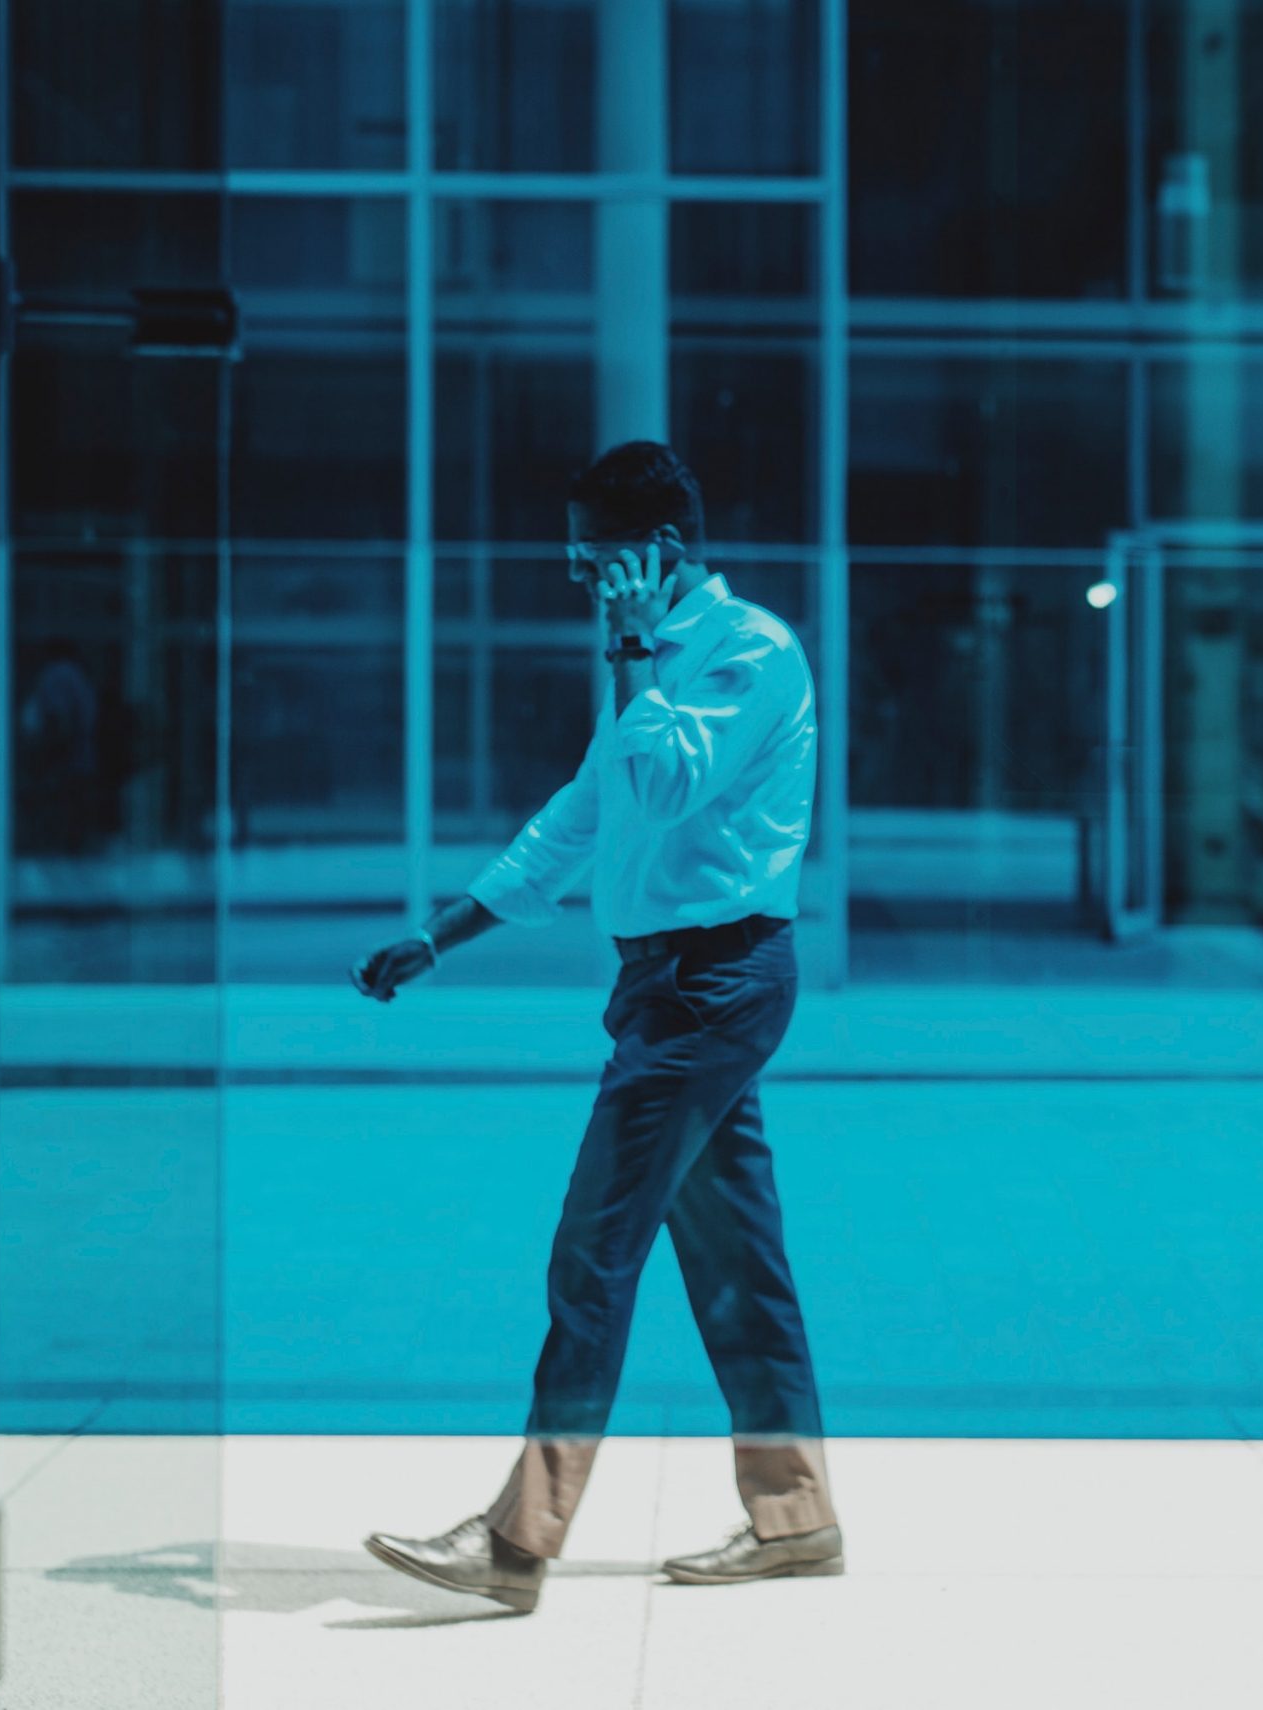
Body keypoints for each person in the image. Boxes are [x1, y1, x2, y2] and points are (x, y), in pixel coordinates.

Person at [352, 441, 840, 1615]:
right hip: (668, 988)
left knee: (592, 1255)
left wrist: (628, 655)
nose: (578, 574)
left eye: (595, 555)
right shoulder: (659, 663)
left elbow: (668, 784)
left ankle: (516, 1546)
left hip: (710, 988)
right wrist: (444, 934)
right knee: (739, 1266)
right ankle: (797, 1517)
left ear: (660, 552)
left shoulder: (747, 652)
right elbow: (586, 812)